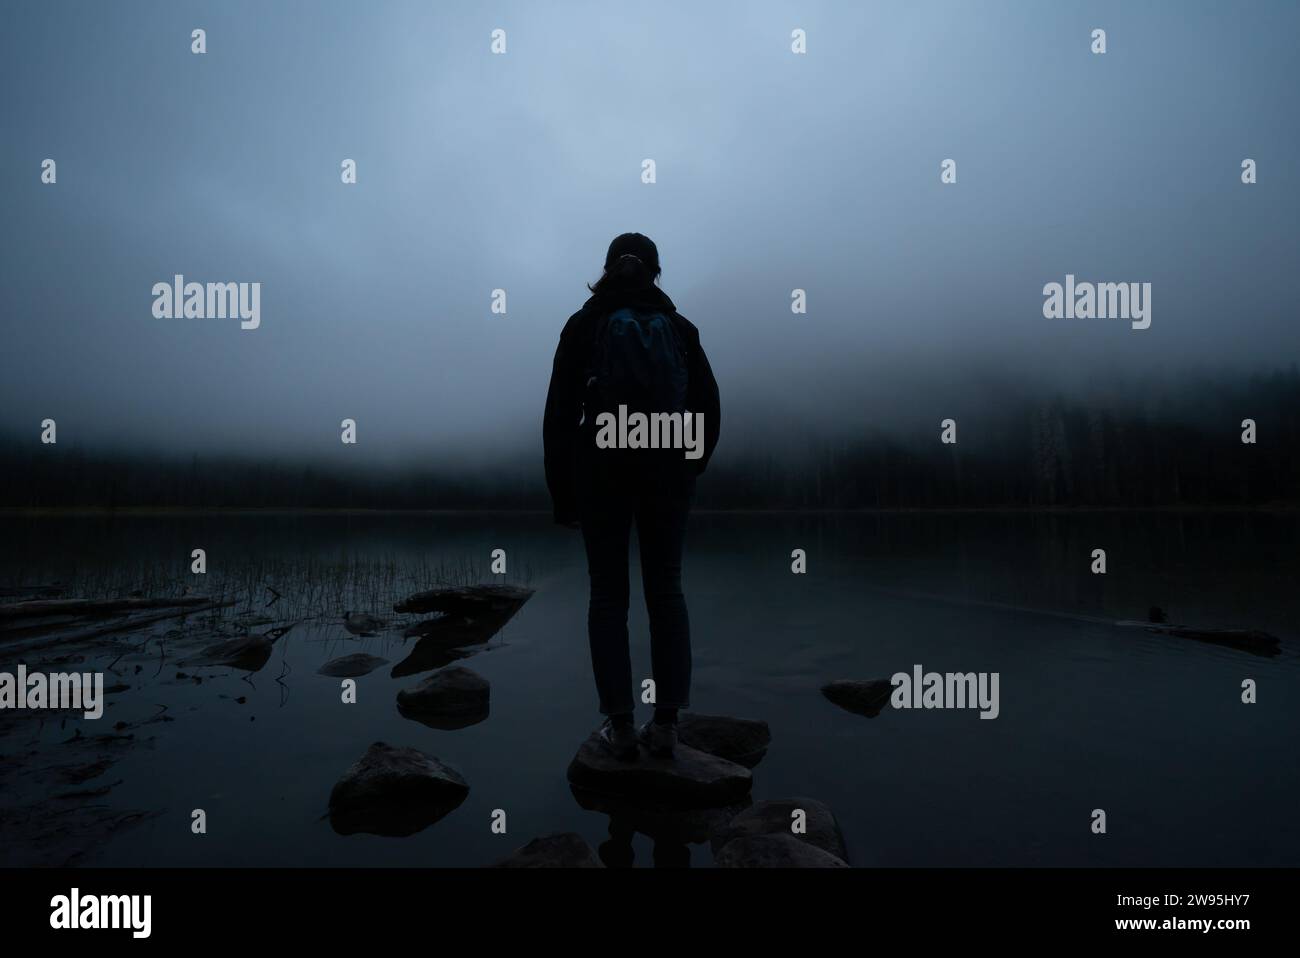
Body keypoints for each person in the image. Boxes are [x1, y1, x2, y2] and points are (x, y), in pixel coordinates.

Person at [544, 232, 720, 760]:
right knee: (666, 591)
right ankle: (666, 726)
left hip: (602, 471)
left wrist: (563, 494)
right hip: (667, 472)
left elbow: (558, 415)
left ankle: (621, 728)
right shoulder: (681, 329)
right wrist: (691, 463)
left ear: (605, 270)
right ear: (655, 271)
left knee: (608, 596)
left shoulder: (584, 324)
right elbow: (709, 408)